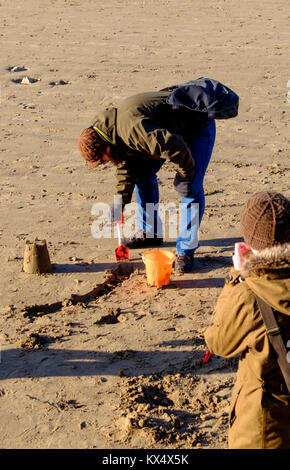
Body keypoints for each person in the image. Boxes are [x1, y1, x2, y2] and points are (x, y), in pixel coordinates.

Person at [78, 86, 216, 272]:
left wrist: (185, 174)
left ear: (106, 149)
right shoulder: (111, 134)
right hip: (168, 132)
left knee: (189, 188)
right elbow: (126, 167)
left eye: (102, 160)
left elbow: (175, 147)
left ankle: (186, 250)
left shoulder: (133, 132)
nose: (103, 163)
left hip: (197, 126)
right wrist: (120, 202)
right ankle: (150, 232)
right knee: (142, 174)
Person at [204, 191, 290, 449]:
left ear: (249, 241)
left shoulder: (248, 294)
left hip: (266, 426)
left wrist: (238, 275)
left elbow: (218, 343)